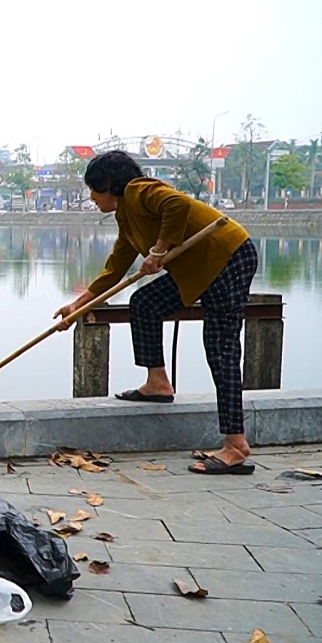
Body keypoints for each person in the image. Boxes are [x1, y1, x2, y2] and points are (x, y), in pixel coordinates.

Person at [53, 151, 258, 475]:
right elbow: (116, 266)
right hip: (198, 270)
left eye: (93, 188)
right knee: (144, 304)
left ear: (108, 183)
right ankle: (158, 383)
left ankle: (236, 445)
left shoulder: (138, 190)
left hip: (227, 257)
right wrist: (81, 303)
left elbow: (177, 205)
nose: (91, 196)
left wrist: (159, 249)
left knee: (221, 347)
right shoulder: (126, 216)